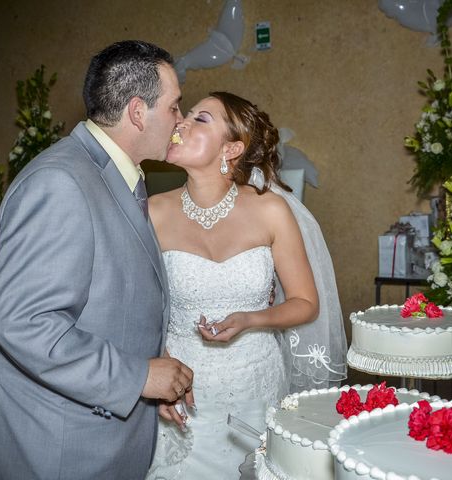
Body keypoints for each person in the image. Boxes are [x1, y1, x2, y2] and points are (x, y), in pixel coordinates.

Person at [0, 40, 194, 480]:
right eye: (175, 106)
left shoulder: (119, 177)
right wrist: (137, 378)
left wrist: (149, 384)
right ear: (138, 112)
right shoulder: (60, 183)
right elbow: (26, 322)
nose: (180, 120)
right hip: (52, 447)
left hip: (96, 437)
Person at [145, 91, 347, 479]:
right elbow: (139, 307)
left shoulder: (270, 210)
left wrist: (252, 319)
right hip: (181, 387)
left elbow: (306, 302)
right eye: (184, 115)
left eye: (200, 119)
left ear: (232, 147)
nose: (180, 124)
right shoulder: (152, 211)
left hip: (254, 385)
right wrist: (160, 367)